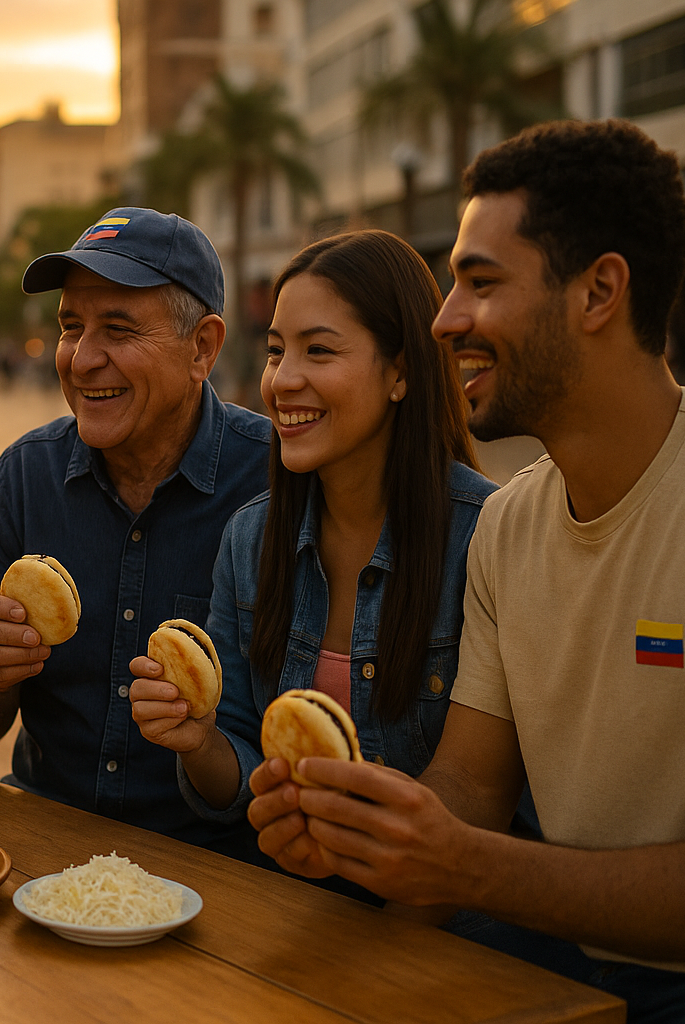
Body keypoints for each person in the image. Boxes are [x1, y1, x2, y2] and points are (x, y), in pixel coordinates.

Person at [250, 120, 685, 1018]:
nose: (447, 319)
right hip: (542, 978)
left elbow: (474, 851)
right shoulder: (510, 525)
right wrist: (358, 835)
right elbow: (472, 790)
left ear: (600, 291)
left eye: (480, 284)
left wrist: (464, 865)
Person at [128, 230, 494, 885]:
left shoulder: (485, 538)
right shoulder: (251, 539)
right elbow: (235, 770)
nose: (281, 380)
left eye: (318, 350)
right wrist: (197, 737)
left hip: (447, 933)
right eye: (275, 351)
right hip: (295, 912)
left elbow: (494, 798)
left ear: (402, 370)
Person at [0, 207, 271, 843]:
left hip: (219, 857)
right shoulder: (24, 480)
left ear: (203, 348)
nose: (82, 358)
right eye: (72, 327)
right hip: (45, 831)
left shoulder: (274, 483)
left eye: (119, 330)